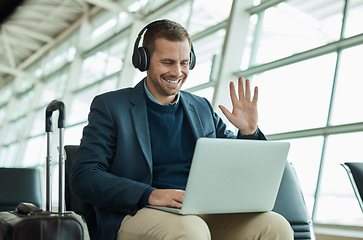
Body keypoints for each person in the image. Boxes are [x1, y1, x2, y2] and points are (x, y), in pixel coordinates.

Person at [70, 19, 293, 240]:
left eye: (184, 63)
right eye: (167, 62)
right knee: (190, 230)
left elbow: (239, 166)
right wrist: (150, 195)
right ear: (143, 60)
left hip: (199, 212)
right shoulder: (111, 107)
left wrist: (249, 132)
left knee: (275, 226)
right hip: (137, 211)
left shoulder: (202, 107)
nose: (177, 72)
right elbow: (85, 176)